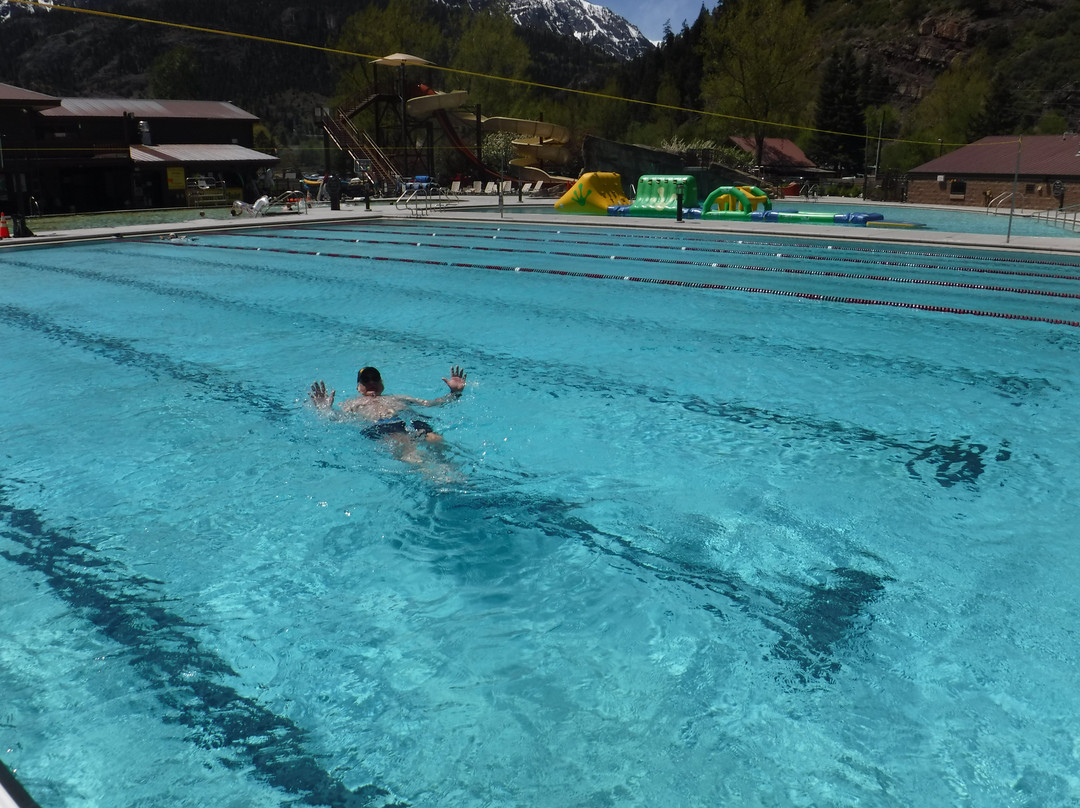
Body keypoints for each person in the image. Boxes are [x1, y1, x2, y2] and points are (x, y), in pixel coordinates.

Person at [310, 365, 467, 456]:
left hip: (413, 421)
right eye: (366, 381)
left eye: (375, 379)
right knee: (409, 452)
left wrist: (455, 393)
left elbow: (431, 404)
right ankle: (434, 477)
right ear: (358, 388)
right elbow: (338, 419)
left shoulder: (398, 397)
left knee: (437, 441)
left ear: (382, 383)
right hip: (385, 427)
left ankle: (453, 474)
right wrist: (325, 409)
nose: (371, 382)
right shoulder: (352, 403)